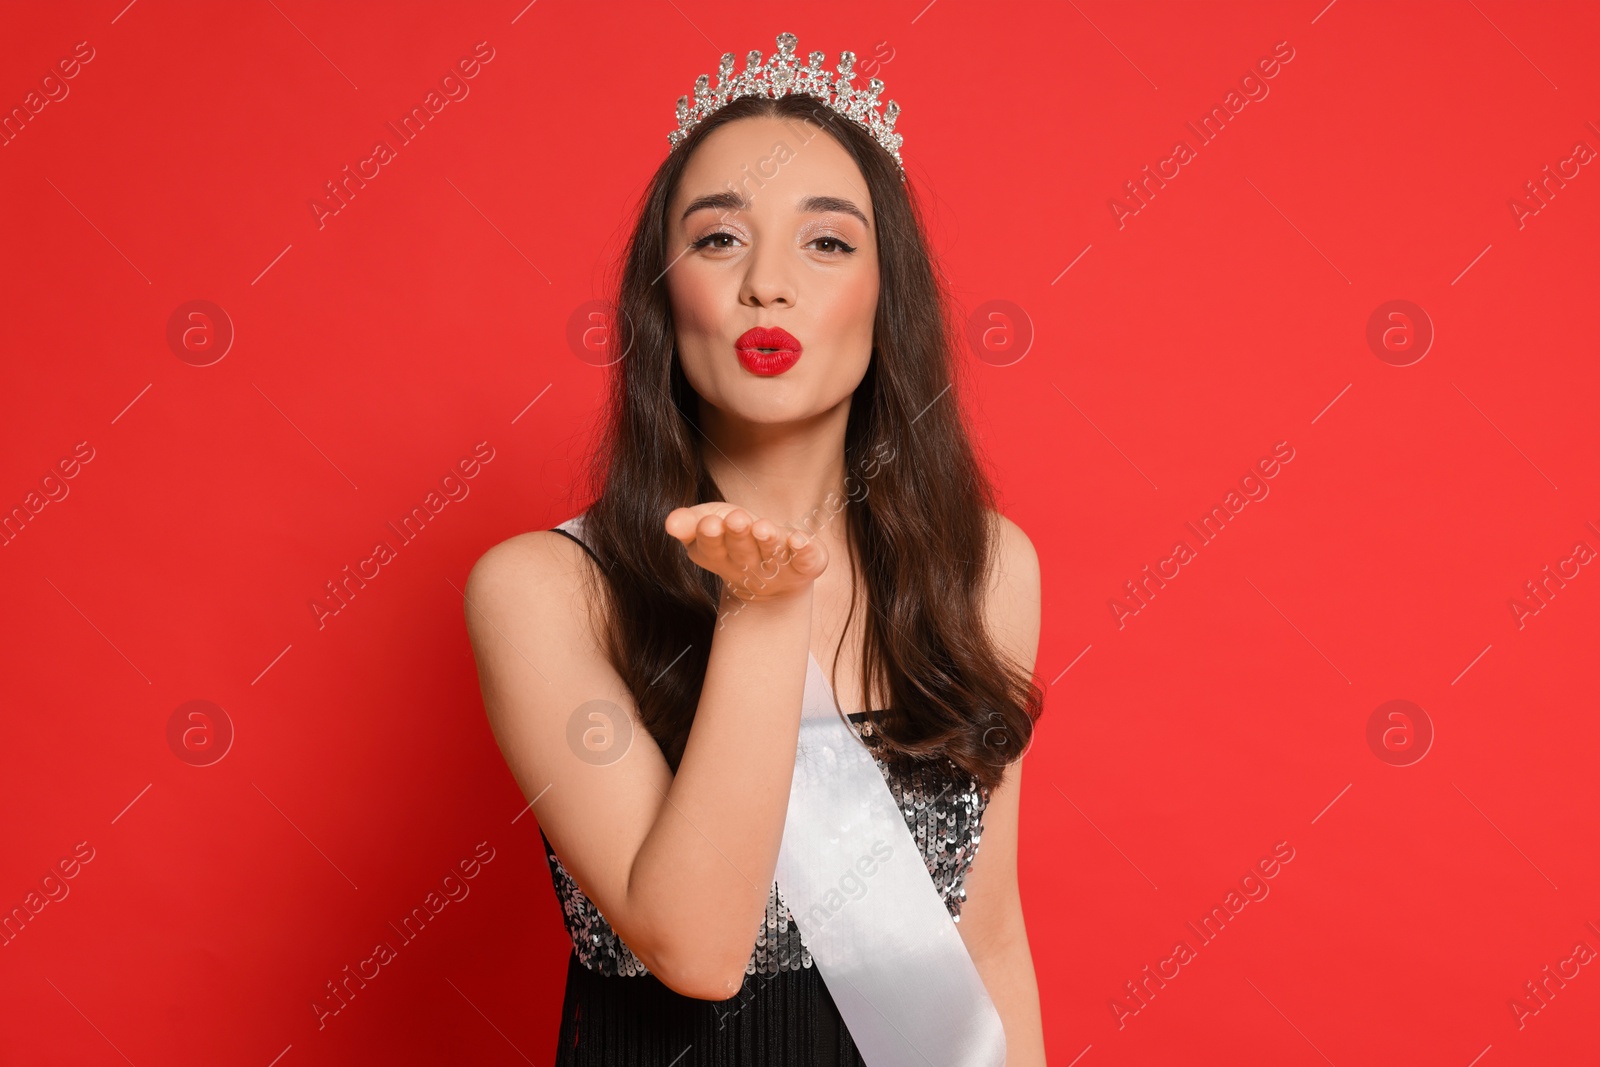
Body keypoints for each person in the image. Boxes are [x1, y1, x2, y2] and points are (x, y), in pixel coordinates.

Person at [464, 32, 1047, 1066]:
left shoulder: (986, 568)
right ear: (662, 289)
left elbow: (987, 933)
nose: (765, 285)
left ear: (886, 295)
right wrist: (763, 608)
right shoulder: (546, 588)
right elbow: (694, 944)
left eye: (827, 242)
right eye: (719, 239)